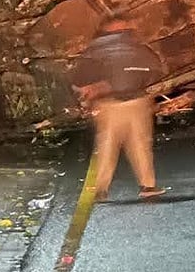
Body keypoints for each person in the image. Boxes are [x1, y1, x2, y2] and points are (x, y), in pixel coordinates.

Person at [71, 13, 167, 201]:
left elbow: (79, 78)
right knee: (131, 146)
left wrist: (90, 93)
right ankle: (137, 186)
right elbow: (155, 71)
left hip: (120, 103)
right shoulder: (135, 47)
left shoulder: (95, 50)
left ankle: (111, 189)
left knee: (117, 146)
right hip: (124, 103)